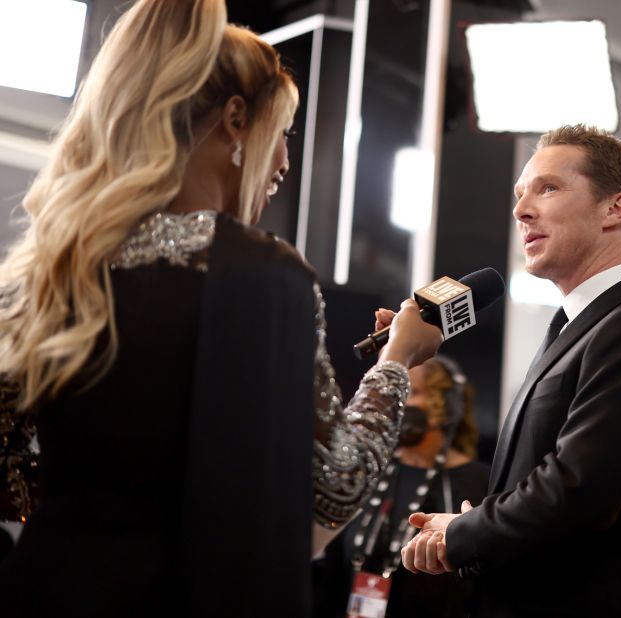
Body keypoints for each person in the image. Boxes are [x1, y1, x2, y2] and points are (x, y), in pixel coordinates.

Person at [0, 1, 442, 617]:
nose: (285, 161)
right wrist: (396, 363)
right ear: (236, 120)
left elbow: (11, 474)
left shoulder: (48, 267)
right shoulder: (260, 277)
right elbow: (331, 491)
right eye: (282, 130)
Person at [401, 124, 621, 617]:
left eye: (548, 188)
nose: (521, 210)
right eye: (520, 194)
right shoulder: (578, 327)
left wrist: (461, 533)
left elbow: (576, 493)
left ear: (615, 208)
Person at [313, 356, 490, 618]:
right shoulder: (367, 474)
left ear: (444, 406)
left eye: (411, 392)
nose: (398, 403)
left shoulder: (480, 481)